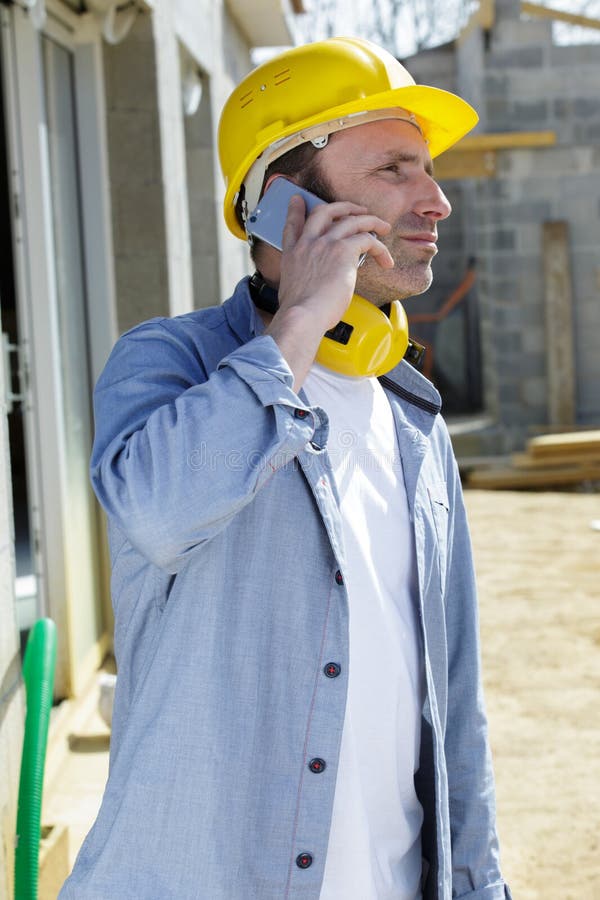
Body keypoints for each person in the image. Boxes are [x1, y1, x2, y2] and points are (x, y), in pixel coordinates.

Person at [60, 37, 511, 900]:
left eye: (430, 171)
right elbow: (156, 509)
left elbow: (455, 708)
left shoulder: (414, 418)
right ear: (284, 205)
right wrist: (300, 323)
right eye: (395, 170)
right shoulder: (169, 365)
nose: (438, 201)